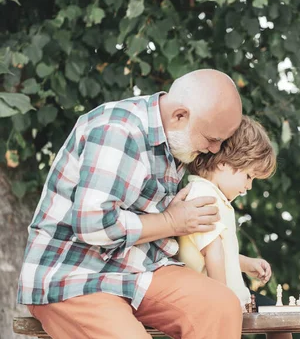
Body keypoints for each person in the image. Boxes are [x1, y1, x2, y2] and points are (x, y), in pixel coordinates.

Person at [17, 69, 245, 338]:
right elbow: (92, 225)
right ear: (180, 115)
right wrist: (172, 222)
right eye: (212, 139)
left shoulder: (177, 139)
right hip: (73, 275)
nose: (215, 150)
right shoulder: (119, 129)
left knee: (221, 306)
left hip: (139, 270)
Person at [179, 115, 292, 339]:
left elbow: (217, 249)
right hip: (216, 297)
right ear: (223, 162)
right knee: (279, 322)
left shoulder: (215, 196)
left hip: (230, 294)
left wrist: (246, 263)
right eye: (248, 176)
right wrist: (221, 302)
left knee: (281, 321)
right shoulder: (204, 196)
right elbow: (213, 253)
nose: (248, 186)